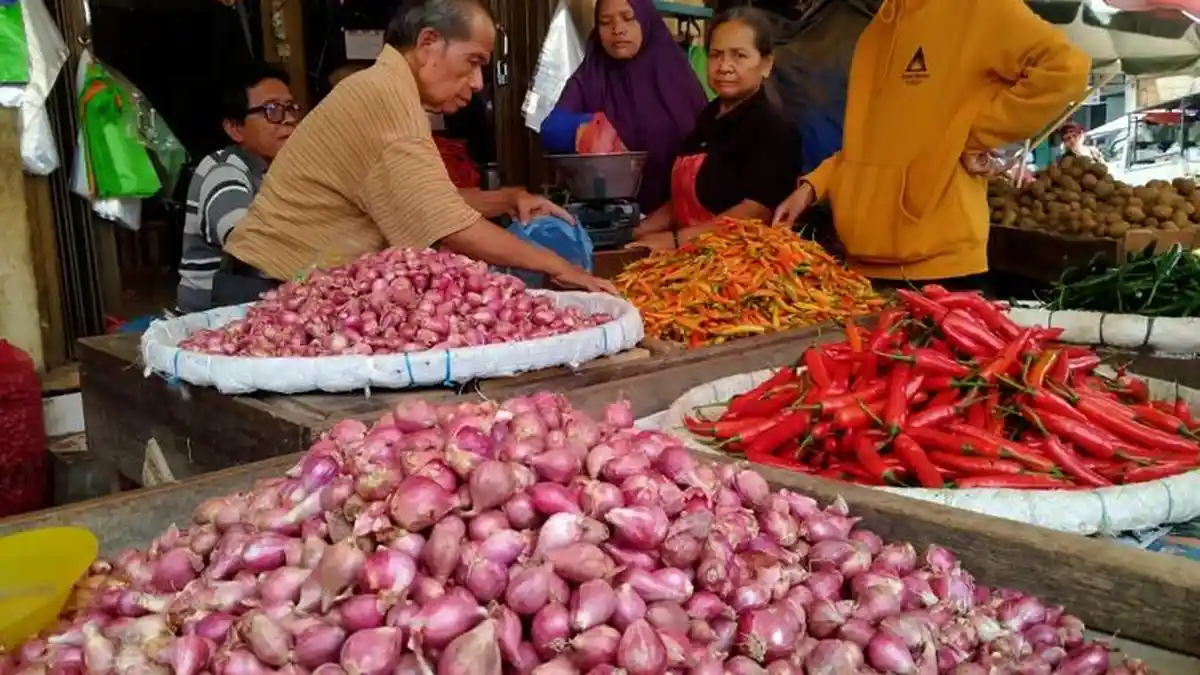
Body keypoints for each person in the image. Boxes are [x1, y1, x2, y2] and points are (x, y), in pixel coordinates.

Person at [218, 0, 615, 307]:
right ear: (428, 44)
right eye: (472, 62)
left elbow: (421, 201)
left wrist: (507, 199)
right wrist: (558, 265)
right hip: (266, 290)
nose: (478, 82)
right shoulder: (385, 99)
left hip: (273, 283)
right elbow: (449, 226)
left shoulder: (386, 88)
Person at [772, 0, 1090, 287]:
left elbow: (1065, 68)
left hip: (940, 268)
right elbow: (869, 141)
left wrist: (974, 136)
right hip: (864, 263)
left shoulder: (979, 9)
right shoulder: (878, 28)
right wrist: (812, 187)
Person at [630, 6, 800, 250]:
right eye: (716, 55)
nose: (724, 66)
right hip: (694, 256)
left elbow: (756, 211)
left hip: (742, 266)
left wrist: (677, 240)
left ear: (766, 64)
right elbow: (681, 200)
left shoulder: (774, 128)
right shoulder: (707, 118)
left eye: (739, 56)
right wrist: (637, 232)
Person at [540, 0, 708, 212]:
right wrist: (591, 127)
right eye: (605, 22)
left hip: (678, 214)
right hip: (609, 215)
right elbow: (550, 130)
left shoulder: (675, 74)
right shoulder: (591, 74)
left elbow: (706, 144)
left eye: (628, 18)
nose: (617, 30)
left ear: (645, 20)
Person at [176, 65, 298, 313]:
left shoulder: (286, 171)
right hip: (209, 318)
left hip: (257, 307)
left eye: (290, 108)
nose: (289, 119)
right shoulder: (223, 171)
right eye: (272, 110)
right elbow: (248, 243)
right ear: (235, 128)